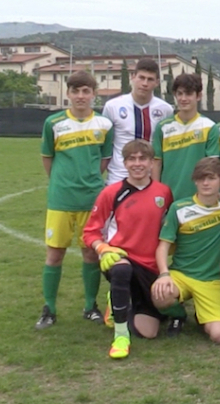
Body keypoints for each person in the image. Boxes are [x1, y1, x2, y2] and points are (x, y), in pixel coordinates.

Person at [36, 70, 114, 330]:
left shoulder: (104, 125)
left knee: (90, 253)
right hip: (60, 200)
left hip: (91, 199)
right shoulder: (54, 123)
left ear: (94, 94)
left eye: (86, 91)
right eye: (76, 91)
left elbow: (104, 159)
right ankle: (49, 309)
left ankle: (90, 306)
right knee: (54, 254)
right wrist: (61, 182)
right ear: (68, 93)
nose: (81, 96)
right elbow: (47, 158)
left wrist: (89, 180)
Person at [83, 139, 173, 358]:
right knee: (122, 270)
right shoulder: (111, 193)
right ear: (124, 163)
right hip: (121, 258)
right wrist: (103, 248)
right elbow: (89, 232)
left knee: (150, 331)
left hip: (150, 267)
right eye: (131, 159)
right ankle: (121, 336)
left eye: (143, 158)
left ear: (152, 163)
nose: (137, 163)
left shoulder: (164, 193)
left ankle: (118, 301)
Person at [151, 157, 220, 344]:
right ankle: (179, 314)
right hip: (181, 273)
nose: (205, 183)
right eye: (201, 178)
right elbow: (163, 247)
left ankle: (202, 312)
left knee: (219, 335)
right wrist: (164, 274)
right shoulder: (179, 208)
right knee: (160, 296)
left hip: (211, 279)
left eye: (211, 178)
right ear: (195, 181)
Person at [103, 59, 173, 185]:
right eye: (141, 78)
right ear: (133, 77)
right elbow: (105, 145)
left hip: (150, 179)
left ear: (157, 82)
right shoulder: (112, 106)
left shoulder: (166, 110)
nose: (145, 83)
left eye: (150, 79)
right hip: (119, 177)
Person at [152, 73, 218, 199]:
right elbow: (157, 163)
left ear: (198, 96)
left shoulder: (210, 127)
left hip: (197, 199)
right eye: (180, 93)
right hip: (167, 197)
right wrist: (156, 192)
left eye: (188, 94)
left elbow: (212, 166)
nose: (183, 98)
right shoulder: (163, 127)